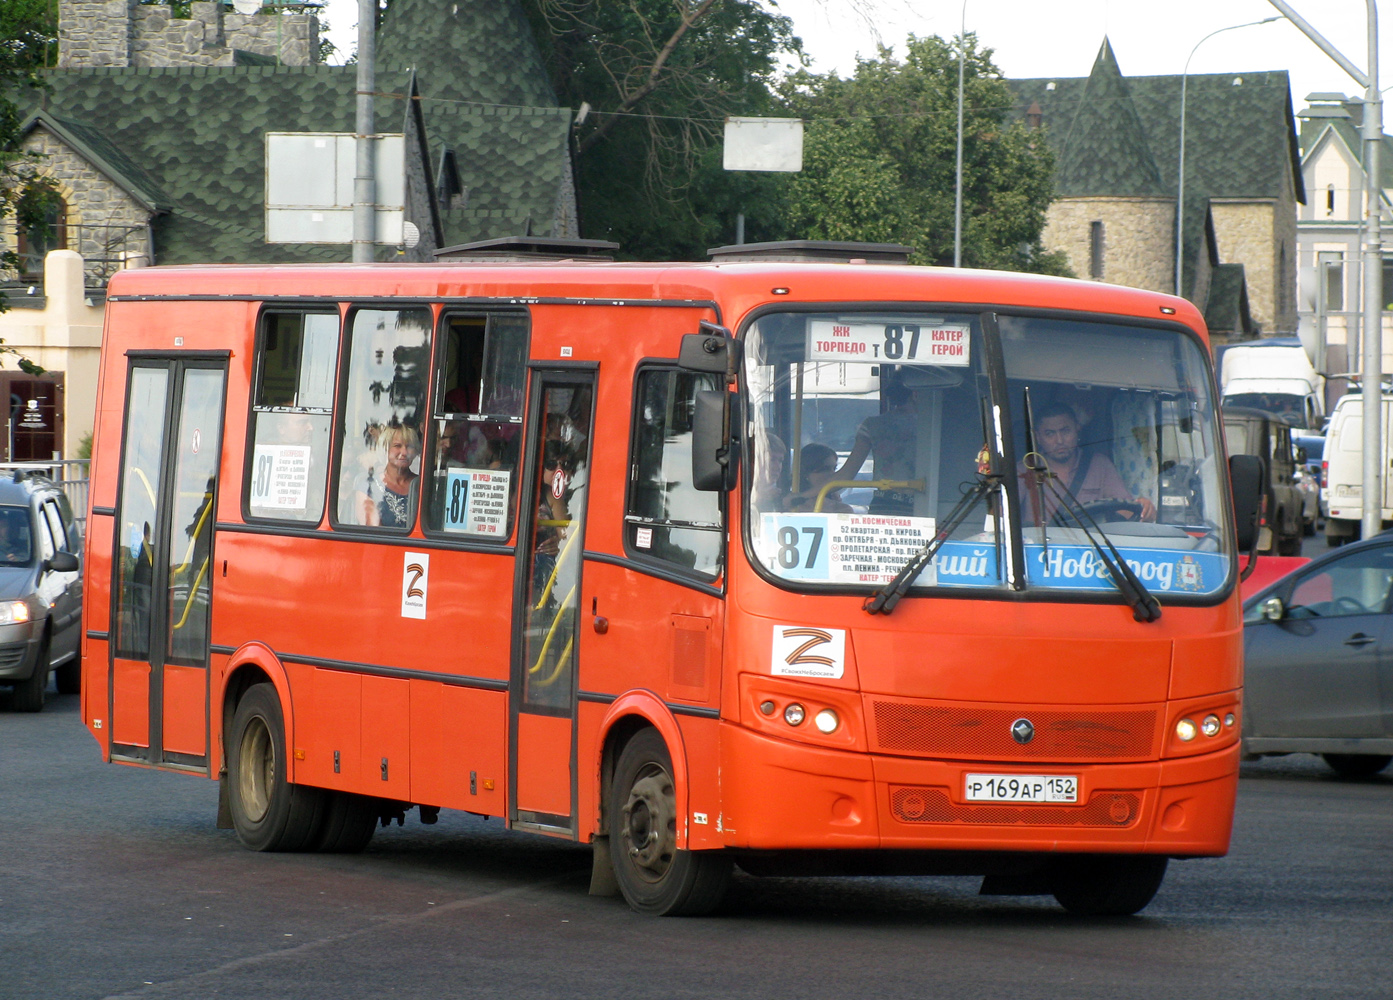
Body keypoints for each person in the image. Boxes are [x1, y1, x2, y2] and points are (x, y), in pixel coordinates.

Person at [1020, 399, 1155, 524]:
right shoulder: (1025, 470)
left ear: (1077, 428)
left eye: (1065, 431)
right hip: (1041, 547)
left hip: (1090, 547)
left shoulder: (1099, 465)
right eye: (1050, 434)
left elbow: (1124, 509)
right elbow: (1002, 516)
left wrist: (1144, 510)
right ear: (1037, 437)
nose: (1059, 440)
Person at [360, 424, 420, 527]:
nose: (404, 452)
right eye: (397, 446)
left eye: (409, 446)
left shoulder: (422, 485)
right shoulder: (368, 487)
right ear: (385, 448)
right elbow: (373, 534)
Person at [784, 443, 854, 513]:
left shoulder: (841, 509)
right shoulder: (790, 506)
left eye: (834, 469)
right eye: (825, 469)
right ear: (805, 473)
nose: (833, 474)